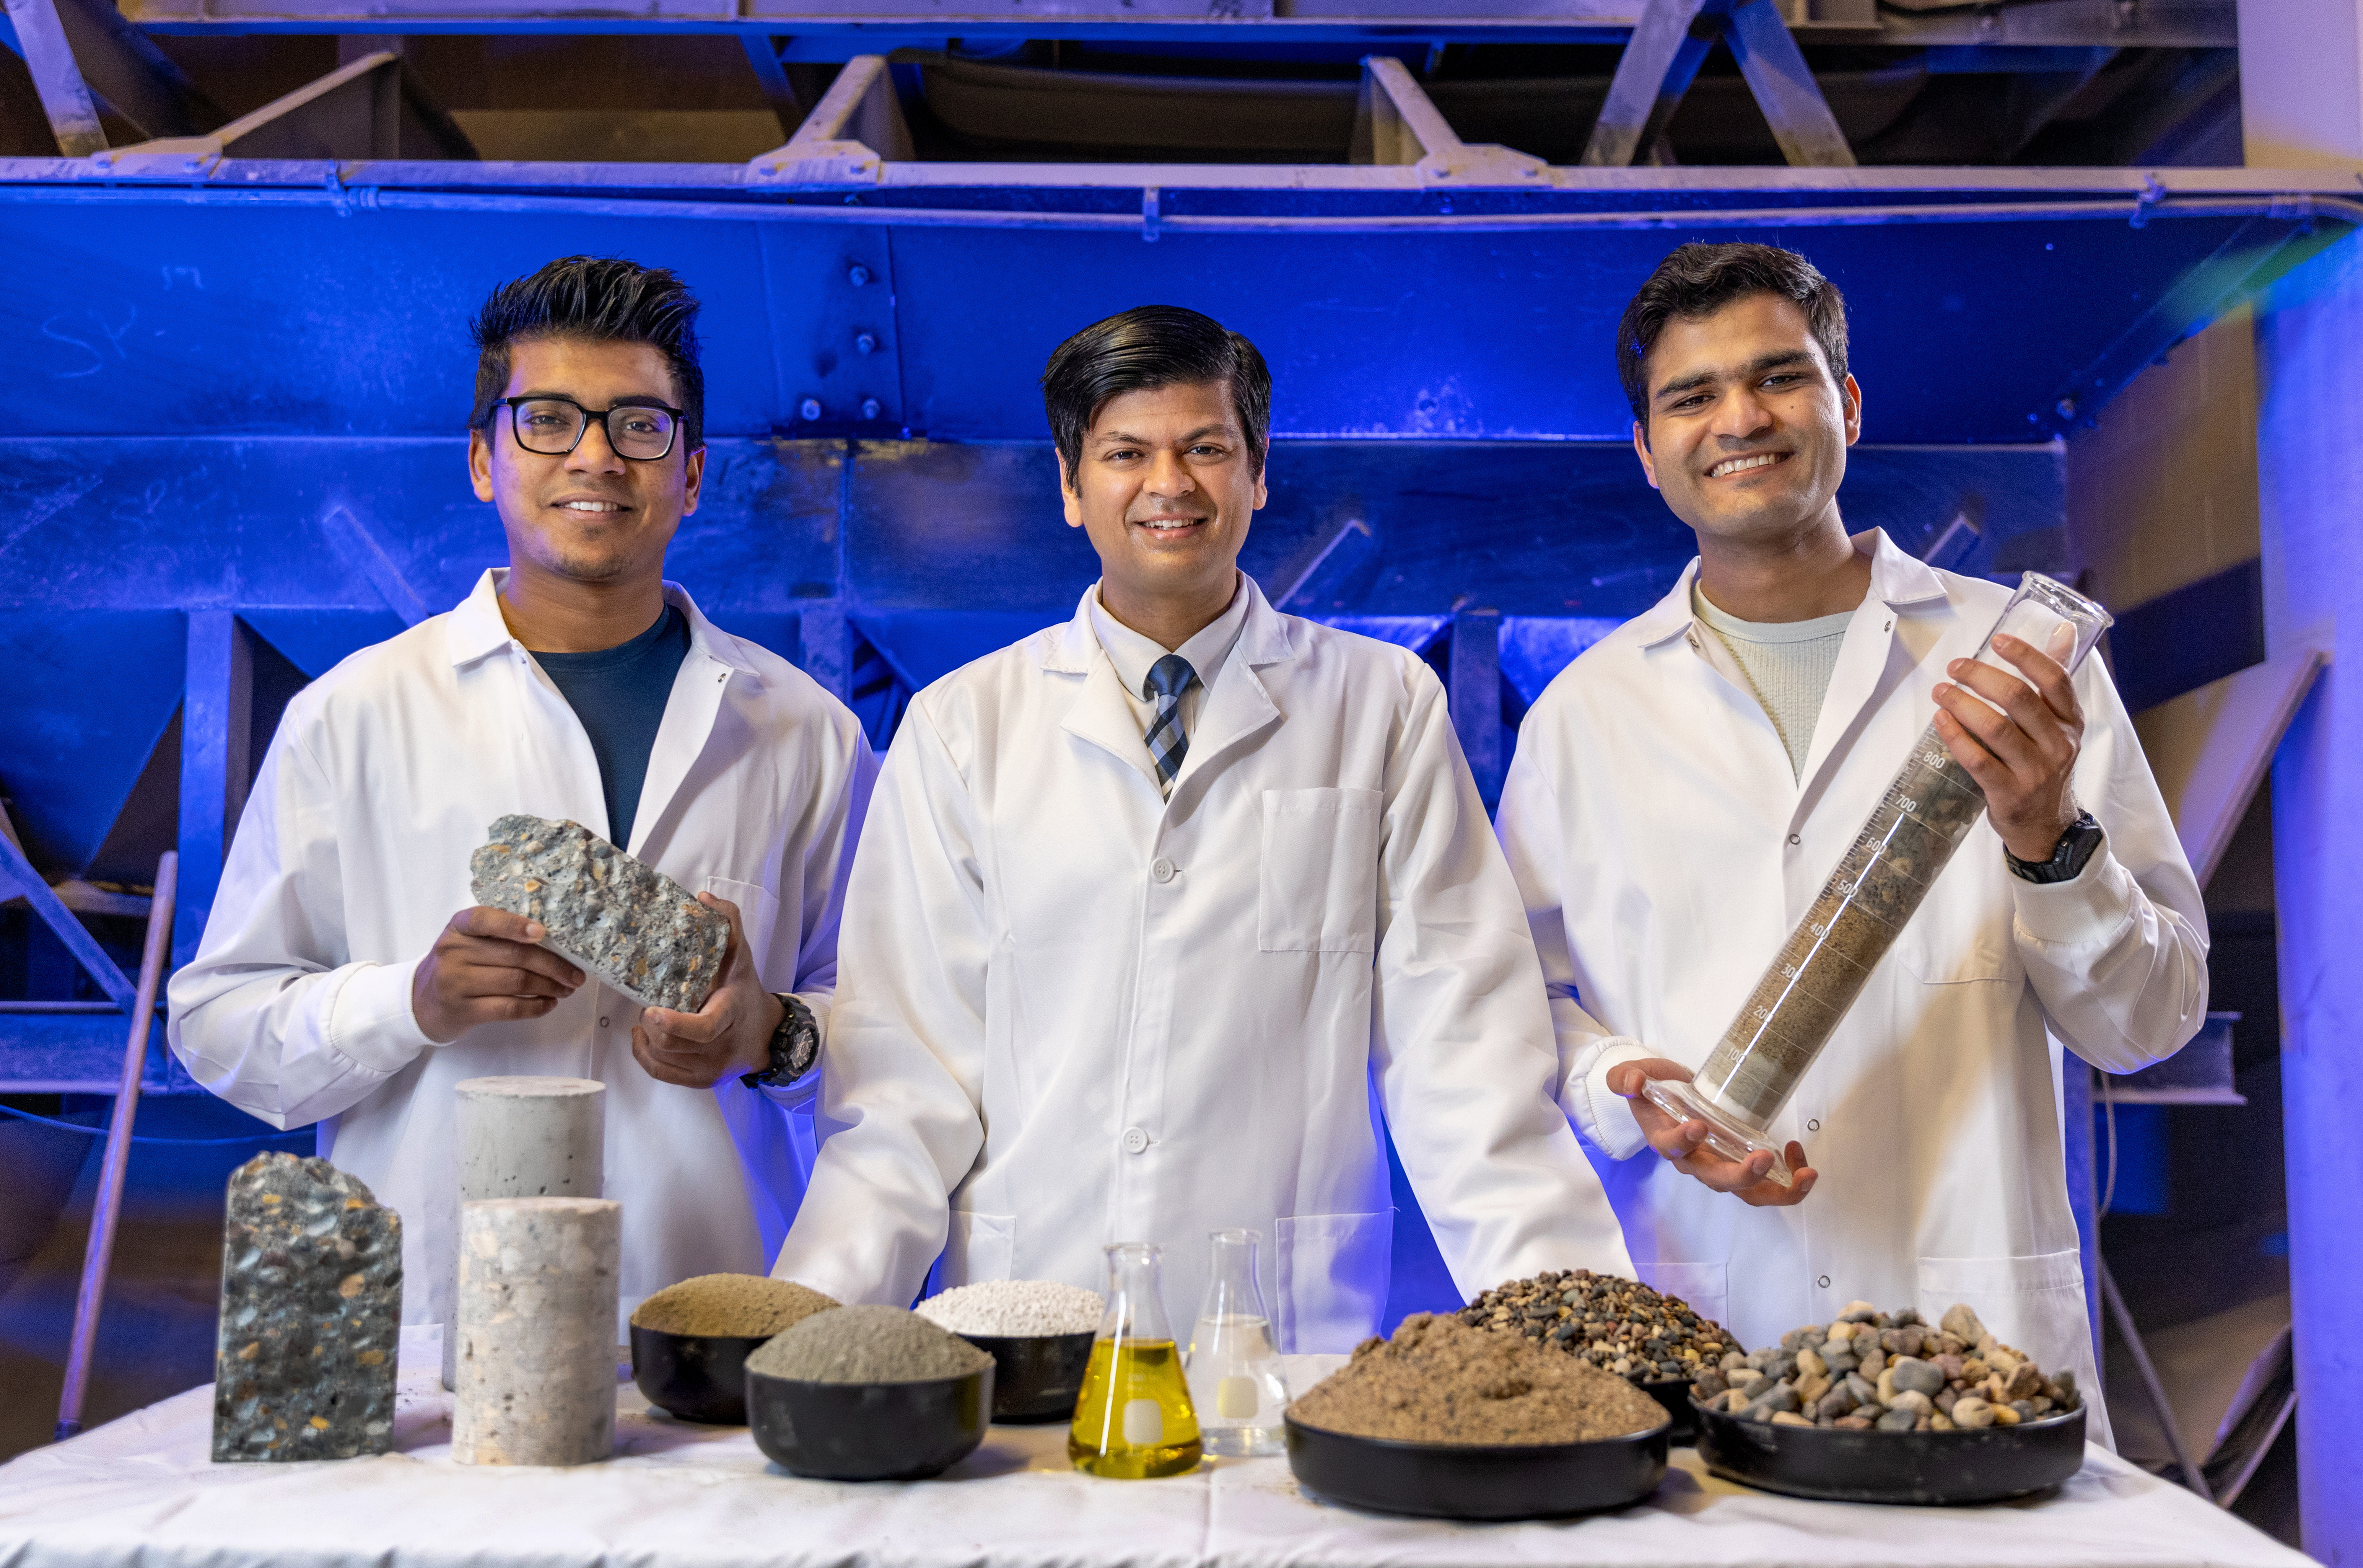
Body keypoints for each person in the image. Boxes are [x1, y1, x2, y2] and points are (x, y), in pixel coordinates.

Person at [770, 306, 1632, 1347]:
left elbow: (1468, 1058)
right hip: (1031, 1315)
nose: (1169, 485)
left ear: (1258, 474)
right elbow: (905, 1079)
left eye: (1206, 449)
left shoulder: (1382, 707)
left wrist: (1583, 1336)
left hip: (1284, 1326)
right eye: (1126, 453)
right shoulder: (963, 726)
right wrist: (810, 1335)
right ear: (1070, 485)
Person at [1495, 243, 2206, 1439]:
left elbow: (2146, 1023)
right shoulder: (1584, 714)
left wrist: (2046, 837)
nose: (1740, 418)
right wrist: (1624, 1083)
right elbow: (1522, 1004)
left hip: (1975, 1346)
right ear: (1646, 451)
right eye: (1690, 396)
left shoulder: (2015, 664)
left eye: (1780, 377)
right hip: (1714, 1327)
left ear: (1848, 406)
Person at [168, 256, 875, 1325]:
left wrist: (767, 1033)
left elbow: (909, 1038)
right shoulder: (356, 716)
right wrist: (416, 999)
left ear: (691, 474)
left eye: (641, 424)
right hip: (436, 1333)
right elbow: (220, 1028)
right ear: (483, 461)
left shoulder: (805, 733)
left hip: (715, 1322)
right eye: (546, 418)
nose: (595, 455)